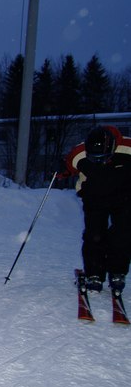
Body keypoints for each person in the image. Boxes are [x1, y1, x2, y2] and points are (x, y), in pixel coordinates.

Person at [62, 125, 131, 294]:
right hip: (94, 197)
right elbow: (68, 168)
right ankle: (94, 274)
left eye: (103, 158)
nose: (99, 162)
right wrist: (61, 169)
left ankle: (117, 272)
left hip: (125, 197)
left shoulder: (128, 148)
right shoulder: (79, 152)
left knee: (123, 234)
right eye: (94, 158)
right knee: (94, 234)